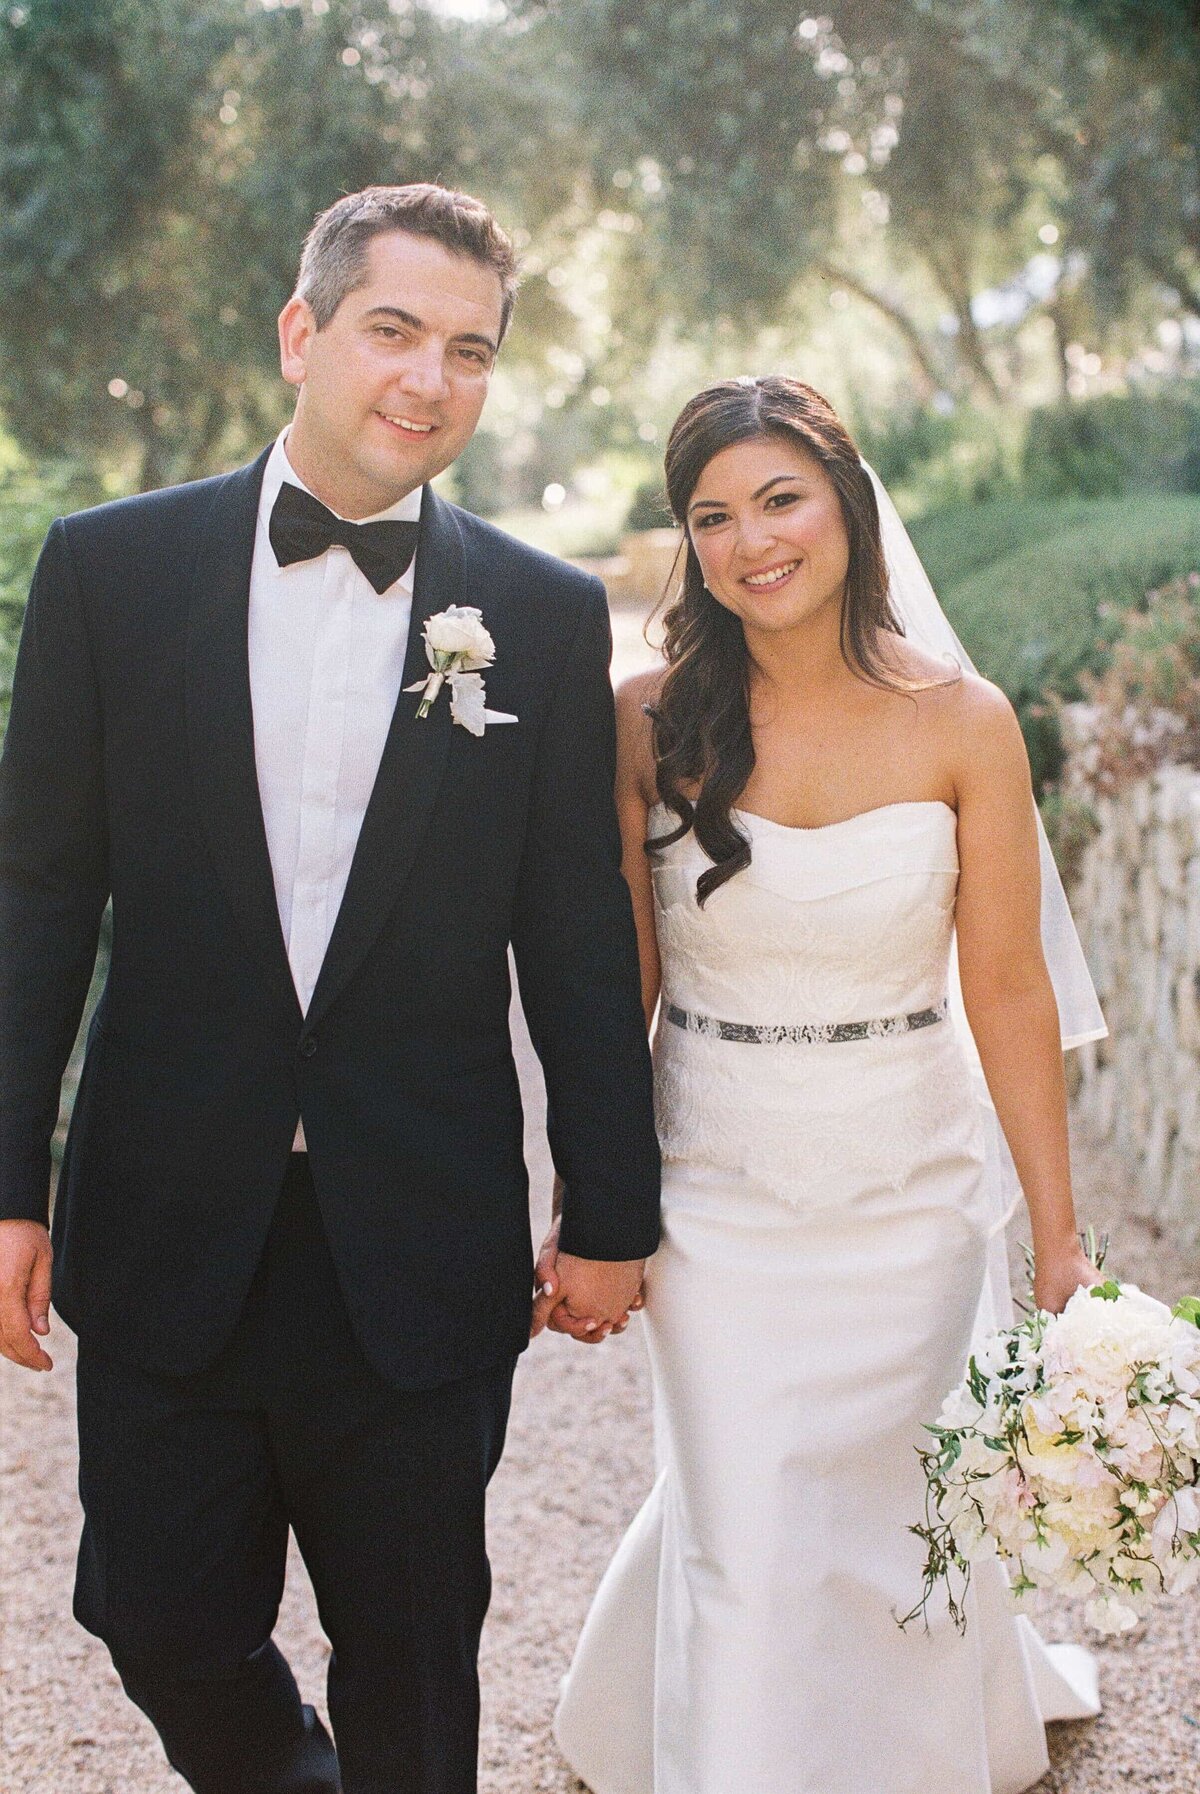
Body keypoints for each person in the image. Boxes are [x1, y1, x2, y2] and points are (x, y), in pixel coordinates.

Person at [0, 182, 659, 1794]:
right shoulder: (106, 572)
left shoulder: (547, 619)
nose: (429, 380)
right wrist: (5, 1178)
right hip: (168, 1207)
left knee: (417, 1654)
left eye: (469, 350)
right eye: (393, 332)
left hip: (418, 1230)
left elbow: (577, 931)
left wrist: (612, 1205)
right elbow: (35, 893)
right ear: (300, 333)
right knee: (153, 1616)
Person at [547, 376, 1104, 1794]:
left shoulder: (964, 723)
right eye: (713, 517)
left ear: (847, 506)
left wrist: (1057, 1233)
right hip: (718, 1188)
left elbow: (1011, 991)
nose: (751, 542)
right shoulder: (646, 717)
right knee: (747, 1531)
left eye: (780, 499)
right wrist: (596, 1205)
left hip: (910, 1188)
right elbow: (619, 996)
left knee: (891, 1522)